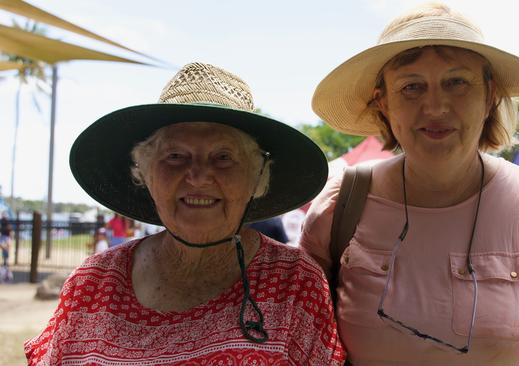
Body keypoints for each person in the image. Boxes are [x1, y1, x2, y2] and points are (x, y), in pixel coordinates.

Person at [302, 3, 519, 365]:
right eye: (411, 87)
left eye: (456, 82)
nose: (436, 106)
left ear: (489, 95)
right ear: (383, 103)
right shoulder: (340, 205)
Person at [25, 62, 345, 365]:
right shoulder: (91, 283)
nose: (198, 176)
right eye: (175, 155)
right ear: (146, 175)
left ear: (257, 177)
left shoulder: (294, 284)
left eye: (223, 156)